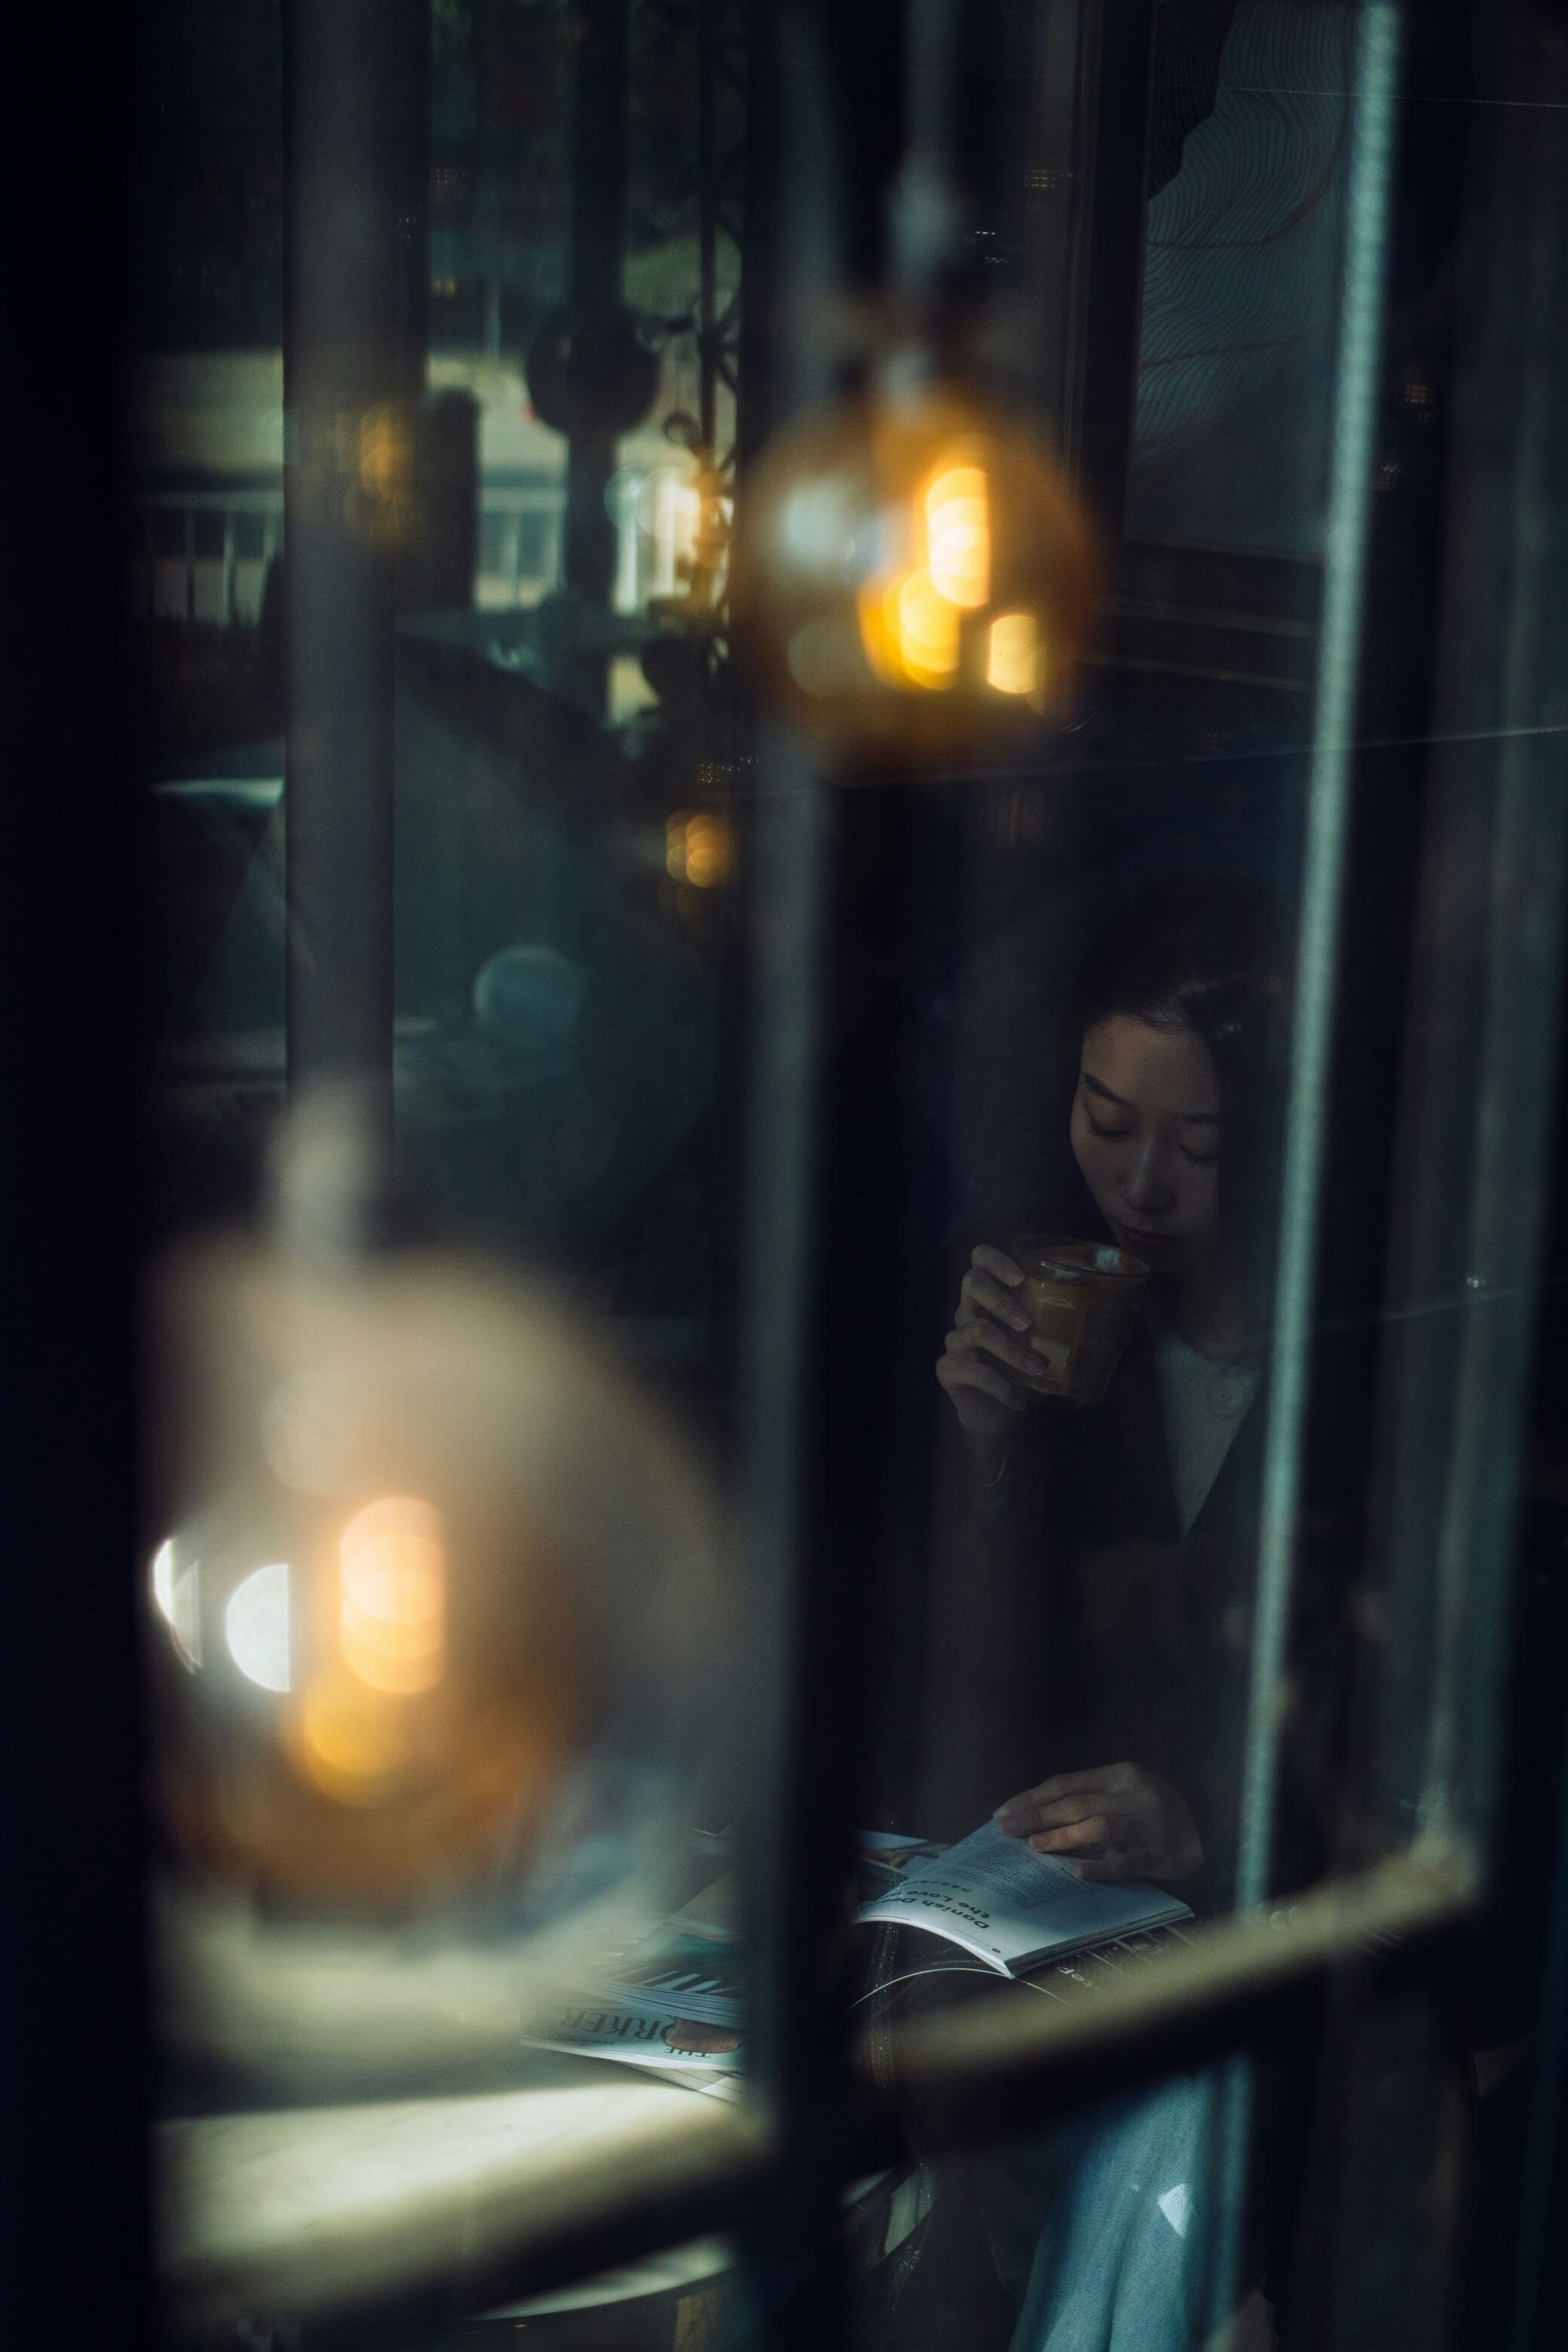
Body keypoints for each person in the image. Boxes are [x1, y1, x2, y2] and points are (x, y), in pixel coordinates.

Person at [914, 875, 1334, 2352]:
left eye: (1195, 1146)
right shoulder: (1048, 1303)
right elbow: (976, 1693)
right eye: (1104, 1124)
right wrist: (980, 1457)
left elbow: (1409, 1731)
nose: (1140, 1186)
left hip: (1276, 1948)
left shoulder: (1352, 1358)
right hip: (1045, 1929)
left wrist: (1206, 1821)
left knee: (1164, 2132)